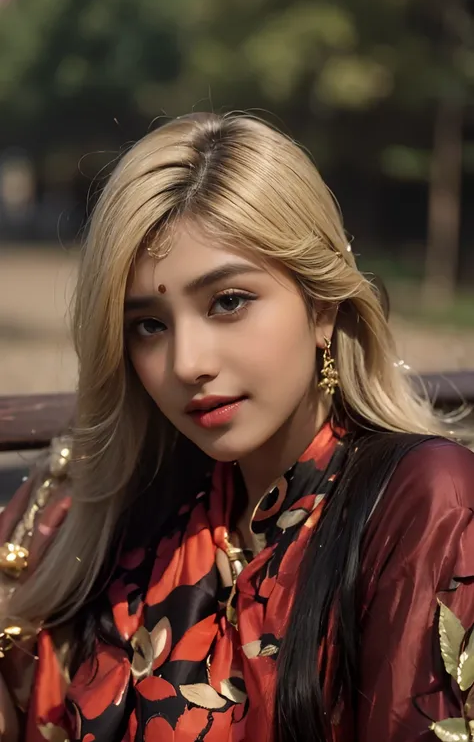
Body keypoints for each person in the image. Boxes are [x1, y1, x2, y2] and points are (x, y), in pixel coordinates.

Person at [0, 112, 473, 742]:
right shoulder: (115, 520)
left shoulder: (421, 501)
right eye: (149, 325)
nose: (186, 364)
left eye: (228, 302)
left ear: (322, 305)